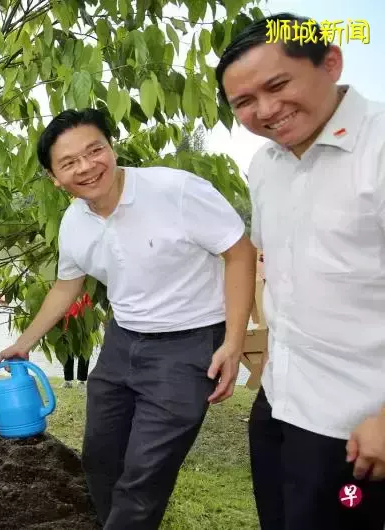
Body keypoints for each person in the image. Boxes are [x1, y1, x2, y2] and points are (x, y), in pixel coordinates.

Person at [0, 108, 257, 529]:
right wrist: (23, 343)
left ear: (111, 147)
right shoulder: (73, 221)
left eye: (94, 150)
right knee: (100, 460)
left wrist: (232, 340)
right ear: (54, 177)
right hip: (121, 343)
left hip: (187, 347)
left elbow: (239, 251)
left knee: (143, 478)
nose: (86, 166)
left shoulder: (176, 190)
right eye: (69, 162)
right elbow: (67, 286)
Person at [217, 12, 385, 529]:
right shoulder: (266, 166)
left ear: (330, 62)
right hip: (282, 401)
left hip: (361, 424)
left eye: (278, 84)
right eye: (244, 102)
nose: (266, 110)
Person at [61, 293, 93, 389]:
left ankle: (81, 381)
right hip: (68, 326)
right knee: (67, 354)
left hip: (83, 326)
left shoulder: (86, 292)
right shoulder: (67, 290)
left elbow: (90, 306)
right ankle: (67, 380)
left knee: (84, 354)